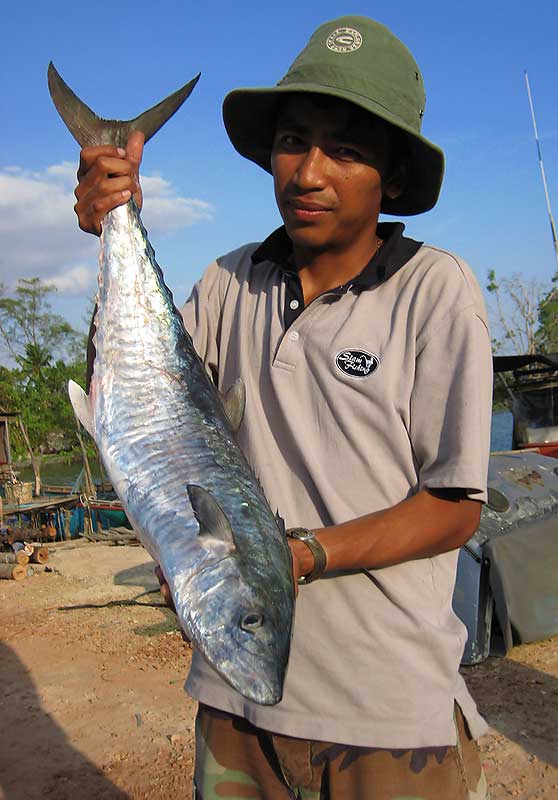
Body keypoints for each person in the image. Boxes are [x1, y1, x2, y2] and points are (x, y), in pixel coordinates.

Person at [74, 15, 493, 800]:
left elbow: (455, 506)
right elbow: (132, 404)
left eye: (347, 150)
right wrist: (112, 225)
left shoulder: (437, 293)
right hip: (236, 699)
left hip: (388, 718)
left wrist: (300, 555)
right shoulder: (229, 283)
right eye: (293, 140)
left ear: (394, 177)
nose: (308, 172)